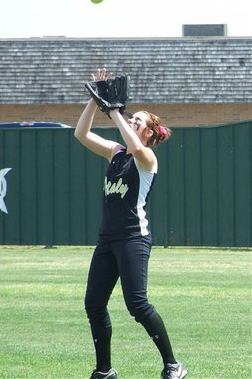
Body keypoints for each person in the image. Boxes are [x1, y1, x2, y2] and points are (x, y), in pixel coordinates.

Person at [74, 68, 187, 379]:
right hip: (108, 240)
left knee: (136, 304)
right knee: (94, 304)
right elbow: (81, 135)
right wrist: (94, 101)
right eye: (130, 119)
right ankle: (104, 370)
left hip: (133, 239)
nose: (131, 122)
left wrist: (114, 112)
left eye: (137, 121)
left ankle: (173, 364)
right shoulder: (116, 152)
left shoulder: (146, 156)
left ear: (148, 133)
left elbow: (136, 148)